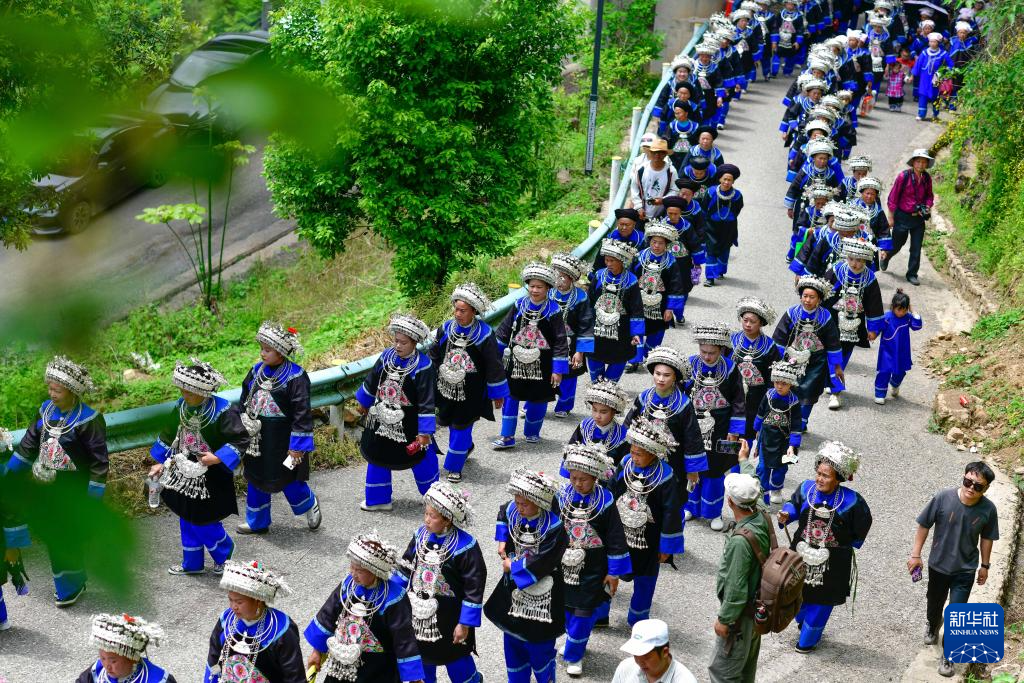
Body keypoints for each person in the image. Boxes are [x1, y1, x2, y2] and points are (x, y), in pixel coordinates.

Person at [4, 355, 107, 605]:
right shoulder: (45, 411)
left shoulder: (88, 420)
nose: (52, 394)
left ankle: (68, 587)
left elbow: (99, 462)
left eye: (57, 390)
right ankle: (74, 581)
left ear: (72, 391)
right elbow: (29, 444)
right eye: (50, 388)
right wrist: (10, 473)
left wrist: (92, 499)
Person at [149, 358, 248, 576]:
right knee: (186, 517)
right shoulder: (181, 406)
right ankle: (192, 563)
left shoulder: (223, 411)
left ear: (204, 391)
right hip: (183, 471)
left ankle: (224, 553)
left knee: (204, 518)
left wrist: (217, 457)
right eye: (182, 391)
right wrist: (160, 462)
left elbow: (240, 439)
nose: (184, 395)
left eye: (189, 392)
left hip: (212, 474)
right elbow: (169, 434)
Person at [778, 441, 872, 653]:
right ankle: (802, 621)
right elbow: (793, 505)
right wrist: (786, 514)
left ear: (838, 478)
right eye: (818, 473)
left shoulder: (852, 502)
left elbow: (862, 526)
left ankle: (807, 641)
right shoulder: (806, 489)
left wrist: (842, 545)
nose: (819, 479)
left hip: (833, 564)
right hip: (800, 554)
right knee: (797, 592)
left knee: (821, 602)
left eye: (826, 476)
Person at [910, 462, 999, 678]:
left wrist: (985, 566)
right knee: (934, 603)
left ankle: (949, 656)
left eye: (978, 486)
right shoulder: (943, 498)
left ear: (986, 488)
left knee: (957, 612)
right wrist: (915, 555)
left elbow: (987, 538)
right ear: (964, 478)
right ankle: (933, 624)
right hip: (938, 566)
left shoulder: (989, 509)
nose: (971, 488)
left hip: (965, 570)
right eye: (968, 482)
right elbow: (924, 524)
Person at [305, 533, 426, 683]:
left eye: (360, 571)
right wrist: (317, 652)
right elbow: (327, 616)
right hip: (342, 666)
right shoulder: (348, 585)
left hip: (378, 671)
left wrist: (414, 677)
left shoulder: (394, 598)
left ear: (375, 571)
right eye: (352, 567)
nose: (353, 574)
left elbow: (404, 640)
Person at [237, 322, 322, 535]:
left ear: (282, 352)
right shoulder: (256, 371)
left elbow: (302, 413)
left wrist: (297, 447)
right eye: (261, 348)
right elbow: (244, 399)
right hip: (258, 440)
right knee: (255, 477)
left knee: (288, 479)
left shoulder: (296, 377)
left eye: (267, 350)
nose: (262, 353)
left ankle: (308, 503)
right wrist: (241, 427)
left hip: (285, 442)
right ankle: (257, 522)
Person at [484, 468, 567, 683]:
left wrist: (513, 566)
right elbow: (503, 512)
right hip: (514, 588)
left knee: (539, 646)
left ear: (539, 503)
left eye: (525, 505)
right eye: (517, 502)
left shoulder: (554, 527)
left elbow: (544, 560)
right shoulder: (514, 510)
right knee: (512, 638)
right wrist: (502, 539)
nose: (519, 507)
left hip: (544, 592)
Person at [399, 481, 486, 683]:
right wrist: (392, 597)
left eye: (433, 516)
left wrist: (464, 624)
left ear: (447, 519)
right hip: (420, 616)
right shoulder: (420, 536)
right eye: (426, 514)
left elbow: (474, 588)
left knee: (458, 665)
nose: (427, 520)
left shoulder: (465, 547)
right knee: (423, 666)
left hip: (450, 619)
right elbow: (405, 569)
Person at [559, 444, 632, 678]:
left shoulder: (606, 500)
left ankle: (574, 655)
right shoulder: (561, 496)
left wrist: (614, 572)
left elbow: (615, 538)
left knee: (583, 614)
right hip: (563, 567)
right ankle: (573, 640)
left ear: (595, 477)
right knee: (566, 610)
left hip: (592, 571)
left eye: (583, 479)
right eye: (573, 478)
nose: (577, 483)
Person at [355, 314, 438, 511]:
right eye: (396, 341)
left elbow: (427, 401)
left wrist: (425, 432)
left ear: (415, 342)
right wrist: (364, 402)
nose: (398, 346)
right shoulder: (386, 357)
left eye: (403, 343)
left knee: (420, 456)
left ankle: (435, 497)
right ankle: (378, 499)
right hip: (381, 421)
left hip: (409, 425)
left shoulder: (423, 366)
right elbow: (372, 380)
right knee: (377, 456)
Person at [429, 283, 509, 482]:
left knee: (461, 426)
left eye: (463, 310)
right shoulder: (446, 329)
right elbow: (434, 354)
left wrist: (497, 394)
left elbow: (493, 365)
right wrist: (432, 377)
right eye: (456, 309)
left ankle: (454, 467)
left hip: (472, 393)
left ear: (474, 311)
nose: (457, 314)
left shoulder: (484, 334)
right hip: (446, 389)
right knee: (451, 423)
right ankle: (466, 447)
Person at [613, 416, 683, 626]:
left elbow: (671, 513)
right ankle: (599, 614)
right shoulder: (625, 463)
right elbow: (611, 491)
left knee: (645, 580)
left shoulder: (666, 476)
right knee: (609, 570)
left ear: (653, 453)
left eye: (639, 454)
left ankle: (638, 619)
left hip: (648, 541)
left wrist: (666, 547)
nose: (633, 457)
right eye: (632, 451)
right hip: (619, 534)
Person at [708, 441, 768, 683]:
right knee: (745, 671)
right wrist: (744, 461)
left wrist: (725, 619)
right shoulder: (761, 511)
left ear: (730, 502)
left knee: (723, 672)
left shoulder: (740, 543)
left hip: (740, 618)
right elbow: (756, 485)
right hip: (755, 611)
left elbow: (735, 586)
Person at [493, 263, 569, 450]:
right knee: (510, 397)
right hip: (515, 363)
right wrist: (494, 358)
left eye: (539, 287)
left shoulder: (553, 310)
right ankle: (507, 436)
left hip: (542, 365)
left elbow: (560, 340)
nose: (535, 290)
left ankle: (532, 431)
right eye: (532, 286)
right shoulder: (519, 305)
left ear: (548, 288)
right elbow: (504, 331)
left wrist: (558, 370)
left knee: (538, 398)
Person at [682, 323, 746, 531]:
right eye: (703, 351)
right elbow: (680, 394)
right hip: (692, 426)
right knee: (692, 465)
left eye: (712, 353)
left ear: (721, 349)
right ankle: (690, 506)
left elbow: (738, 400)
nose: (707, 357)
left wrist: (735, 431)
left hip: (721, 428)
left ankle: (713, 512)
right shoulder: (690, 365)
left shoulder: (730, 368)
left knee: (716, 470)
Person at [204, 560, 305, 682]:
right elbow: (214, 658)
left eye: (239, 602)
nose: (233, 607)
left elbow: (294, 675)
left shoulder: (281, 629)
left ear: (258, 601)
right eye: (230, 600)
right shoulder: (226, 620)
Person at [772, 275, 845, 432]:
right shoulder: (792, 313)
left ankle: (801, 423)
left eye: (812, 297)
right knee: (790, 390)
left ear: (819, 299)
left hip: (816, 364)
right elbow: (780, 337)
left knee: (809, 394)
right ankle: (789, 420)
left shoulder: (825, 317)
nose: (807, 300)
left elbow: (833, 343)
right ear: (800, 296)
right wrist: (776, 360)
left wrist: (837, 366)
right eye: (805, 296)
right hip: (792, 361)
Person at [823, 237, 884, 410]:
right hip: (832, 320)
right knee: (830, 352)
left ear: (865, 259)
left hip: (854, 324)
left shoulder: (869, 278)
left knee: (844, 354)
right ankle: (834, 389)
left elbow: (874, 304)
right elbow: (822, 293)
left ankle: (833, 386)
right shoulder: (836, 270)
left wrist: (873, 329)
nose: (854, 264)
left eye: (859, 260)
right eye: (851, 259)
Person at [629, 220, 687, 372]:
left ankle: (650, 356)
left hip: (660, 306)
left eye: (661, 243)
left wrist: (670, 308)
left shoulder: (671, 262)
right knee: (636, 329)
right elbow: (630, 278)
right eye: (654, 242)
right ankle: (634, 359)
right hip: (638, 303)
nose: (656, 246)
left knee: (656, 331)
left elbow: (675, 285)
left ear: (666, 244)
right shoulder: (639, 257)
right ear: (649, 241)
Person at [588, 240, 644, 383]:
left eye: (612, 260)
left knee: (619, 358)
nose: (608, 263)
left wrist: (636, 332)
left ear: (622, 261)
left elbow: (636, 308)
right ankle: (596, 388)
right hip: (597, 329)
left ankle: (609, 389)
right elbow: (589, 301)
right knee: (594, 357)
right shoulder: (599, 276)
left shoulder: (631, 280)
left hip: (621, 332)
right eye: (606, 260)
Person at [730, 297, 783, 443]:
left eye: (752, 321)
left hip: (757, 397)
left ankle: (743, 456)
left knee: (749, 431)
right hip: (733, 393)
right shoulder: (731, 340)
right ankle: (730, 457)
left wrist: (770, 399)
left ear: (761, 323)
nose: (748, 325)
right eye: (745, 320)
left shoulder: (769, 346)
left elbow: (773, 376)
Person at [751, 361, 803, 504]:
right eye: (777, 382)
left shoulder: (794, 402)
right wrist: (757, 429)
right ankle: (763, 492)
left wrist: (792, 445)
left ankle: (776, 488)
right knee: (763, 467)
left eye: (784, 383)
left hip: (783, 442)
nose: (779, 386)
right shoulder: (768, 395)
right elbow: (761, 412)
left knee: (780, 468)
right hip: (766, 438)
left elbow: (796, 425)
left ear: (791, 383)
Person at [549, 254, 594, 419]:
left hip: (571, 344)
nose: (558, 281)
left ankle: (564, 405)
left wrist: (580, 351)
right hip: (548, 341)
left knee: (569, 375)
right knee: (542, 371)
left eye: (562, 277)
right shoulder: (548, 294)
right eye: (556, 276)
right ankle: (534, 402)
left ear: (572, 279)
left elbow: (586, 325)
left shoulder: (581, 298)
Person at [884, 148, 935, 286]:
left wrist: (927, 206)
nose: (921, 164)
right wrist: (891, 217)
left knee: (916, 248)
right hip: (902, 217)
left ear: (927, 164)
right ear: (913, 162)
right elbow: (893, 198)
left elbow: (929, 196)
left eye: (924, 162)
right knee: (897, 244)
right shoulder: (903, 176)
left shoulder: (927, 178)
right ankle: (887, 256)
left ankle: (912, 274)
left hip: (918, 219)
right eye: (918, 161)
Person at [79, 613, 175, 683]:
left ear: (132, 659)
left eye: (113, 661)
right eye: (102, 658)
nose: (107, 666)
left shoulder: (158, 679)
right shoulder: (97, 671)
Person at [565, 380, 631, 475]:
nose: (597, 416)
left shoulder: (623, 436)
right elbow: (571, 451)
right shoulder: (585, 426)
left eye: (603, 412)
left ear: (614, 412)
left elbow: (623, 466)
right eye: (594, 410)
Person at [874, 289, 923, 404]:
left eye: (904, 310)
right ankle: (880, 394)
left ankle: (895, 384)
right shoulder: (887, 317)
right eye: (899, 309)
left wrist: (913, 311)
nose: (901, 313)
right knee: (884, 371)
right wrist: (872, 334)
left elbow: (917, 326)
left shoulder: (908, 318)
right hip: (887, 350)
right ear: (893, 307)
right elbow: (877, 328)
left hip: (902, 351)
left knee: (900, 372)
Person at [611, 619, 699, 683]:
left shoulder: (685, 680)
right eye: (635, 655)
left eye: (646, 656)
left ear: (665, 652)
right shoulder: (625, 668)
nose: (639, 662)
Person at [702, 164, 745, 286]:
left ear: (733, 181)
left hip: (728, 228)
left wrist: (727, 217)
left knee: (724, 249)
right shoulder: (711, 192)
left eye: (729, 180)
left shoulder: (737, 195)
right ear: (720, 179)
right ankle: (710, 277)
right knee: (711, 251)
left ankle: (720, 271)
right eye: (724, 179)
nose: (726, 182)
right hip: (711, 227)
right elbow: (704, 208)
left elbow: (738, 209)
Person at [630, 138, 678, 222]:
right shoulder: (641, 170)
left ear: (665, 154)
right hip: (641, 214)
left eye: (661, 153)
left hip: (662, 214)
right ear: (650, 153)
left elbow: (675, 189)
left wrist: (663, 200)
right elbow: (634, 189)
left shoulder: (671, 171)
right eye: (654, 152)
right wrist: (639, 207)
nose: (657, 155)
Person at [910, 32, 954, 121]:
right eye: (931, 42)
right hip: (924, 78)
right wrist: (912, 76)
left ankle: (935, 114)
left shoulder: (943, 53)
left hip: (936, 78)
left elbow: (950, 64)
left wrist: (943, 72)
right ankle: (921, 114)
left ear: (938, 43)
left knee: (935, 95)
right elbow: (918, 65)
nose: (932, 43)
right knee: (923, 95)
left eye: (934, 42)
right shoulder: (924, 53)